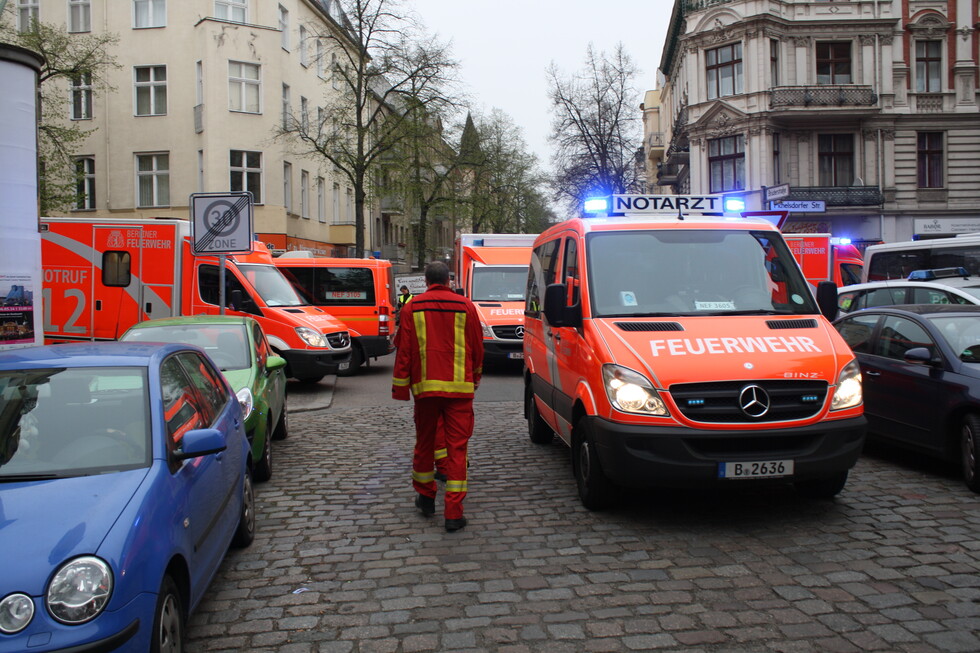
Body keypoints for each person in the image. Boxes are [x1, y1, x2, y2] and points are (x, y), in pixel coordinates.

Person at [392, 261, 484, 532]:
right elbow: (477, 347)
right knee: (457, 449)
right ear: (448, 280)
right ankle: (454, 514)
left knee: (424, 443)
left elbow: (404, 350)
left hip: (425, 389)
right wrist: (475, 377)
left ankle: (426, 497)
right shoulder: (466, 306)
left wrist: (401, 387)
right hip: (459, 390)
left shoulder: (412, 307)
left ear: (426, 279)